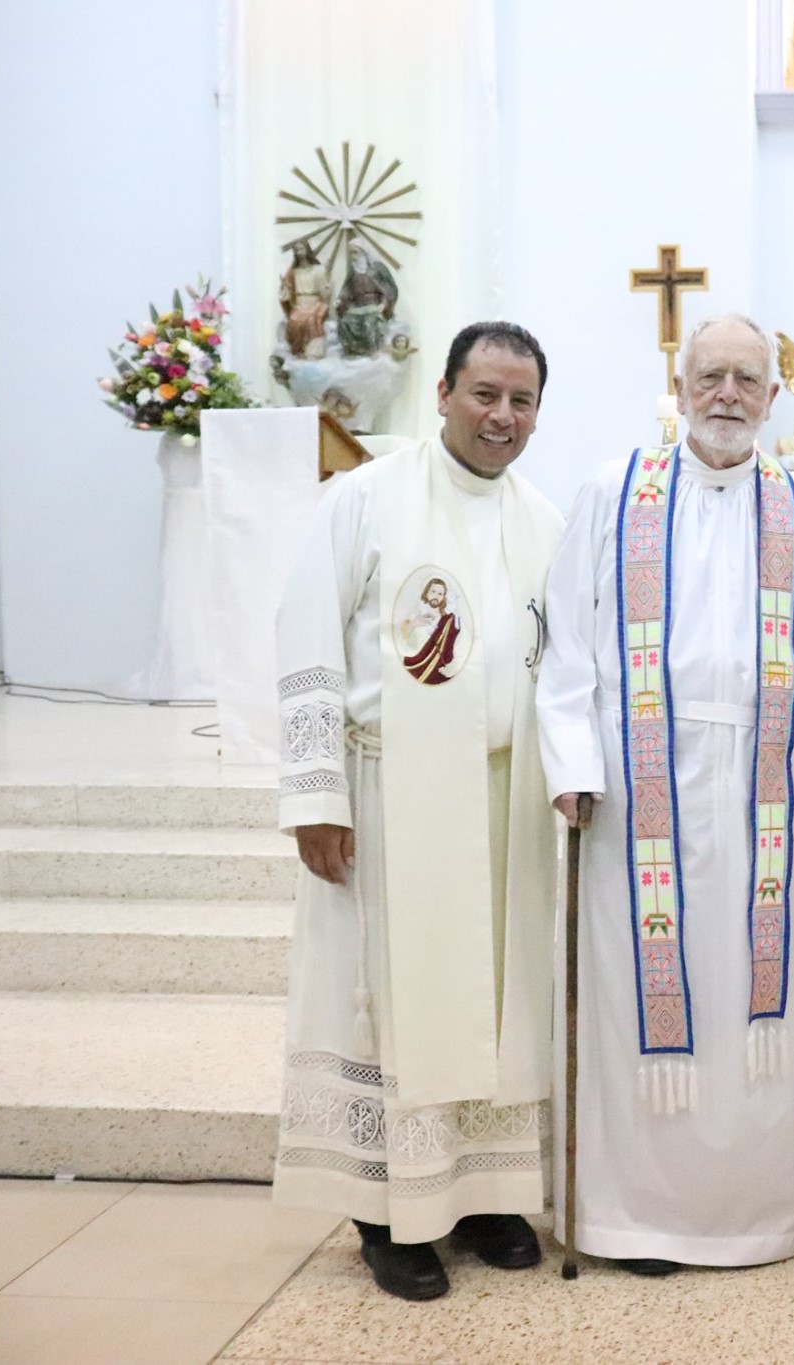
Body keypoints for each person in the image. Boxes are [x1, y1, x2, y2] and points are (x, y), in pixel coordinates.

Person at [539, 315, 794, 1274]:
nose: (726, 395)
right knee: (643, 998)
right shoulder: (612, 491)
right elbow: (570, 646)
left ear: (772, 395)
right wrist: (574, 763)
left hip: (766, 792)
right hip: (639, 793)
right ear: (679, 383)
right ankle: (637, 1217)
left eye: (747, 379)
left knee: (761, 1006)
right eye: (710, 375)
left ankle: (762, 1210)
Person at [272, 322, 566, 1301]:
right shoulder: (365, 500)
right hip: (388, 791)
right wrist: (315, 793)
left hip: (503, 795)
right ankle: (388, 1215)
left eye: (521, 401)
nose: (502, 416)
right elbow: (307, 638)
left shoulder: (542, 521)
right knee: (392, 1004)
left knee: (490, 1000)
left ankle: (484, 1198)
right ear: (441, 392)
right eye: (485, 394)